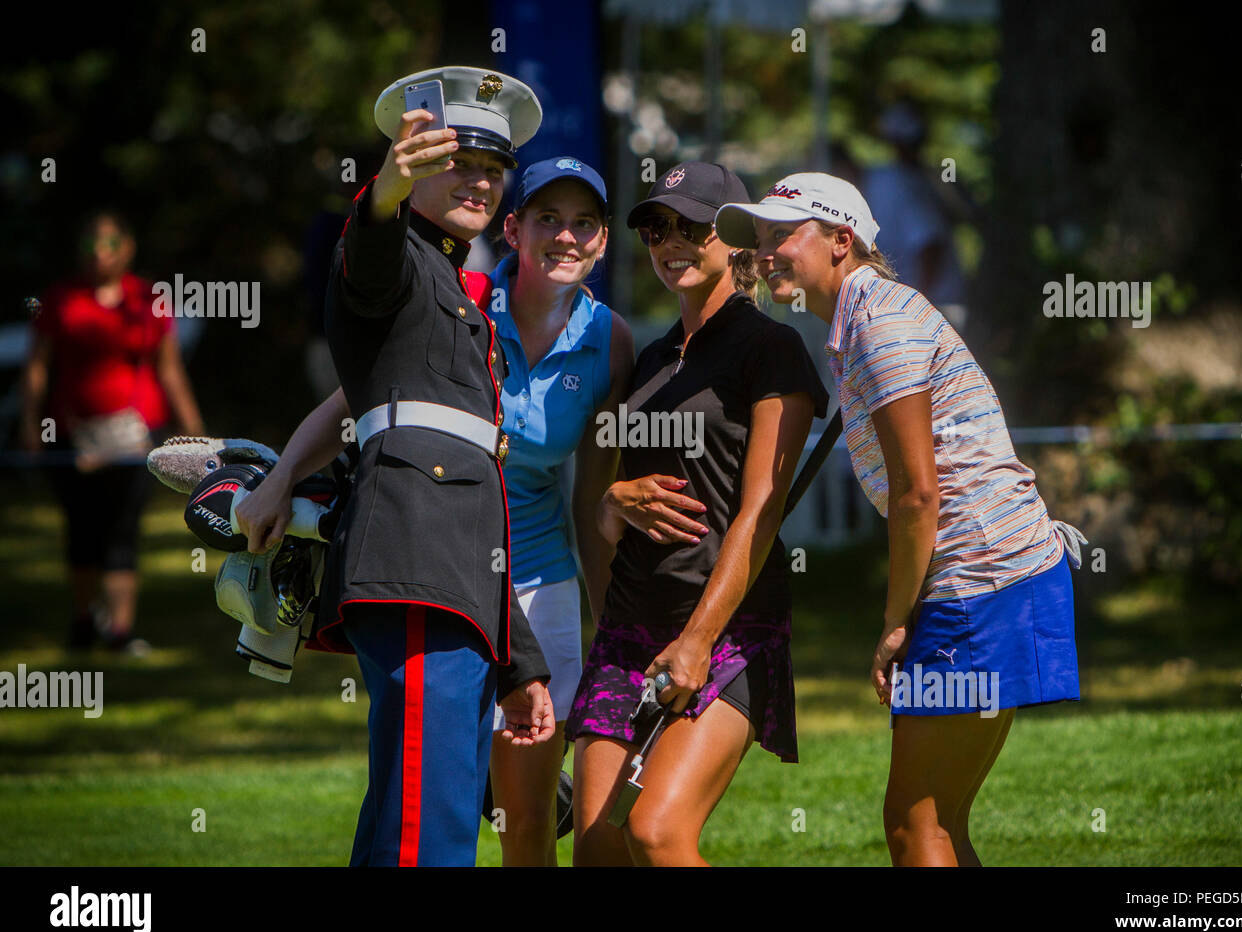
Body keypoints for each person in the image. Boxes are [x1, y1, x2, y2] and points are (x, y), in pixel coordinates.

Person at [233, 66, 555, 867]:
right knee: (427, 832)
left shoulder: (458, 292)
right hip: (413, 565)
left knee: (413, 815)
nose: (481, 181)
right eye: (459, 162)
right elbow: (369, 252)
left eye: (494, 169)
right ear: (410, 170)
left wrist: (518, 659)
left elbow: (483, 505)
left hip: (451, 581)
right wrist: (385, 188)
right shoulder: (394, 259)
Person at [716, 172, 1086, 866]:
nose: (765, 255)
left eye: (782, 236)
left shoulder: (879, 321)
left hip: (977, 584)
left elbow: (918, 495)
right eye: (760, 241)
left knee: (916, 826)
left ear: (841, 240)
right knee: (938, 821)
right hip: (1004, 575)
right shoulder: (868, 316)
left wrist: (895, 623)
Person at [566, 162, 829, 867]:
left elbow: (760, 512)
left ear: (737, 240)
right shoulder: (649, 359)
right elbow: (611, 506)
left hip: (725, 629)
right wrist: (609, 504)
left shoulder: (772, 349)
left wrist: (697, 639)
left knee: (655, 832)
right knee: (597, 852)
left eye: (691, 226)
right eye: (657, 228)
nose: (669, 242)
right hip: (628, 627)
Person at [482, 156, 634, 865]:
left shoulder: (612, 340)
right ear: (513, 229)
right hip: (438, 567)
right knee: (433, 798)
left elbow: (592, 493)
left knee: (529, 819)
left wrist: (610, 625)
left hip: (541, 580)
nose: (566, 237)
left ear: (602, 242)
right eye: (548, 219)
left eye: (584, 223)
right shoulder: (463, 306)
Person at [20, 210, 205, 654]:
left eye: (109, 244)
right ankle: (83, 620)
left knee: (124, 528)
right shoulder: (60, 299)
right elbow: (37, 366)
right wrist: (30, 423)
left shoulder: (148, 299)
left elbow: (169, 368)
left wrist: (194, 430)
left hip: (137, 438)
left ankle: (120, 630)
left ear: (127, 248)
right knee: (82, 527)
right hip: (73, 437)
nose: (99, 255)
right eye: (90, 245)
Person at [862, 102, 970, 330]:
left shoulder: (901, 184)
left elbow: (930, 244)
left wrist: (914, 307)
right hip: (934, 304)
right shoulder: (916, 178)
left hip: (934, 307)